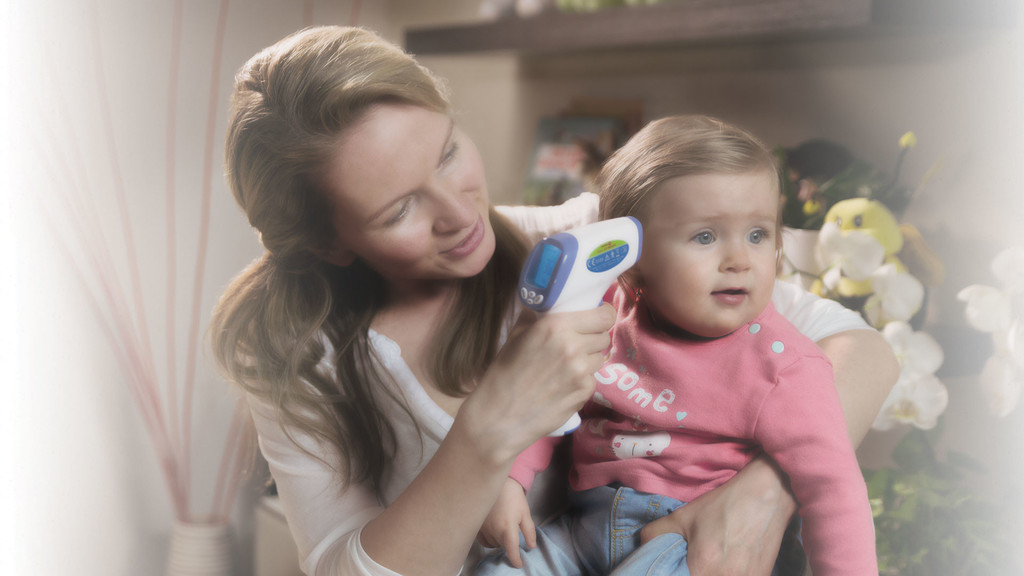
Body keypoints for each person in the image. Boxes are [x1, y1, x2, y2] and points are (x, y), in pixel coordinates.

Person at [209, 26, 898, 576]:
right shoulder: (297, 357)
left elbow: (858, 348)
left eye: (448, 153)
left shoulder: (594, 245)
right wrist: (491, 432)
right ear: (332, 244)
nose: (459, 214)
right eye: (399, 211)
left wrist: (764, 495)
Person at [475, 115, 878, 576]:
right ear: (633, 261)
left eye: (758, 234)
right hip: (578, 530)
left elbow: (834, 491)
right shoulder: (603, 316)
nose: (739, 260)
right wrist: (511, 479)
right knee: (497, 570)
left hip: (685, 544)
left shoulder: (784, 366)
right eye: (705, 236)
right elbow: (549, 401)